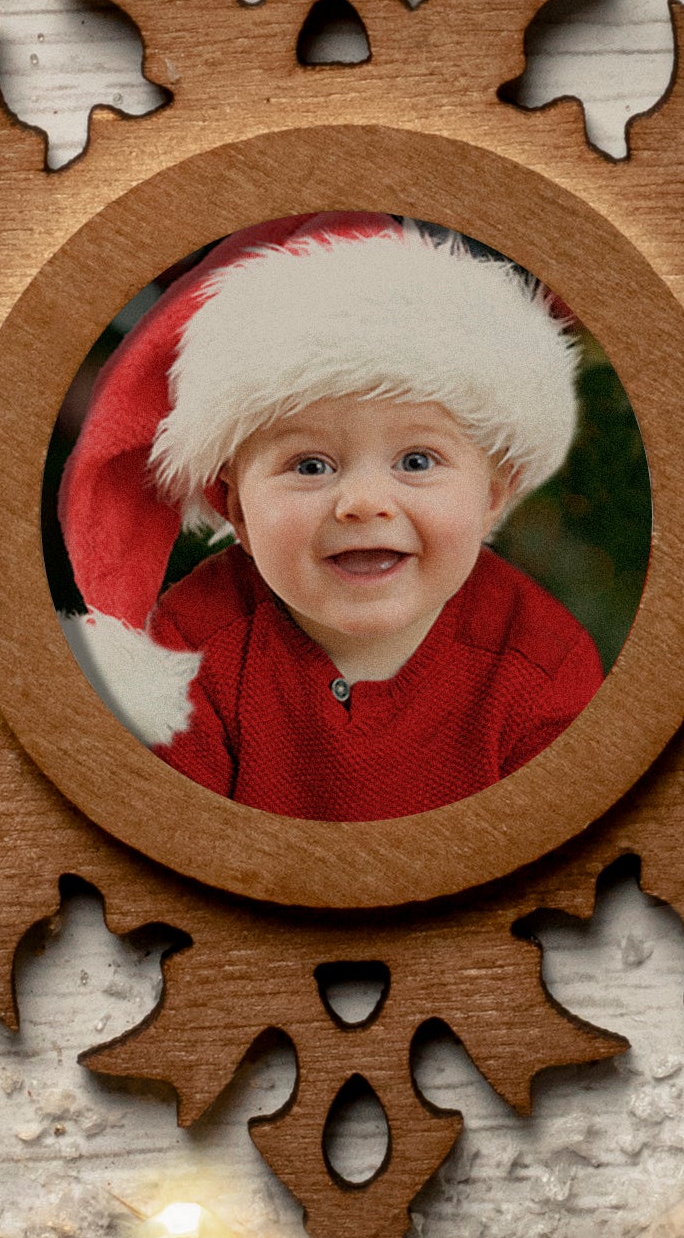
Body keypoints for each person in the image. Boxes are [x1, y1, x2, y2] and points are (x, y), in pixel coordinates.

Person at [56, 213, 605, 820]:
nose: (363, 502)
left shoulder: (542, 666)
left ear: (493, 496)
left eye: (417, 460)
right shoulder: (188, 652)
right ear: (236, 506)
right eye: (311, 466)